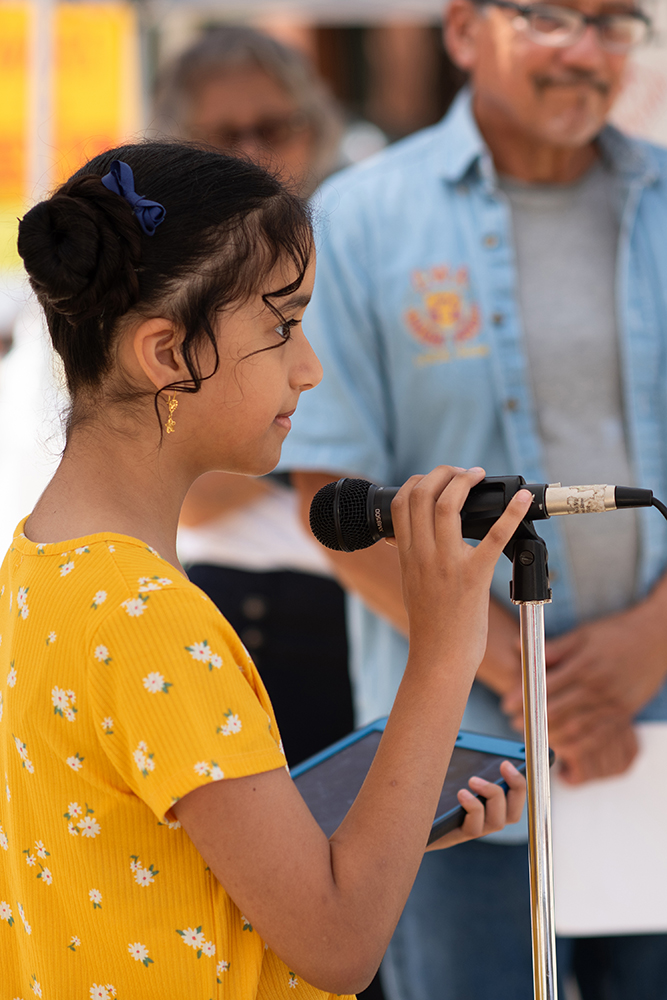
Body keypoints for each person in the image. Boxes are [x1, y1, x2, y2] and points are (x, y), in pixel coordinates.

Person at [1, 141, 528, 998]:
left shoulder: (37, 564)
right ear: (167, 354)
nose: (308, 366)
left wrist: (383, 832)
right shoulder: (151, 619)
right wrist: (442, 652)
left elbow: (164, 861)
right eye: (282, 324)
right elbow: (338, 943)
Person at [282, 0, 667, 997]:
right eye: (550, 18)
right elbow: (331, 493)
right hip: (461, 758)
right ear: (461, 31)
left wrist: (644, 647)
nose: (585, 51)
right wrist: (530, 683)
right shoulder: (359, 219)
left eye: (615, 22)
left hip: (655, 740)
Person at [155, 26, 353, 767]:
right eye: (223, 133)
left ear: (315, 128)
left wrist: (245, 449)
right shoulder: (154, 278)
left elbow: (192, 462)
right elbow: (191, 491)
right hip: (214, 609)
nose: (252, 152)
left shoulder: (351, 252)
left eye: (273, 128)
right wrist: (336, 469)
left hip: (355, 623)